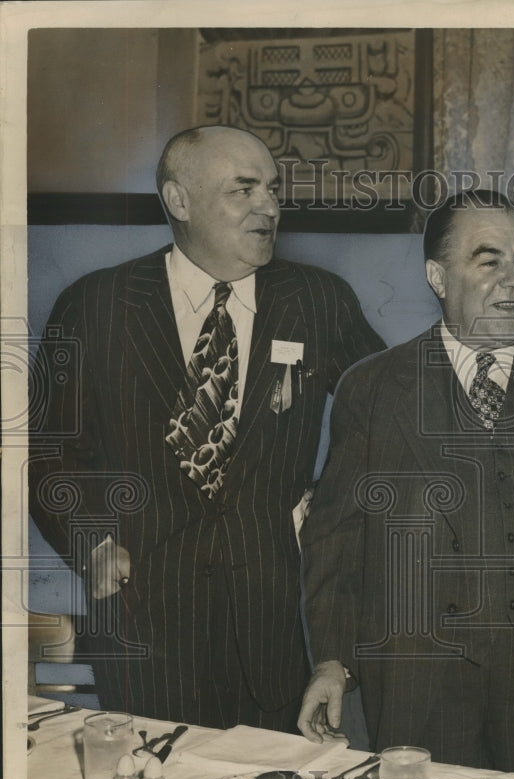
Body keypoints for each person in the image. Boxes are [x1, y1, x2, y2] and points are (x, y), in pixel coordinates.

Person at [29, 125, 386, 731]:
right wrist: (89, 539)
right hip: (145, 628)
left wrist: (329, 509)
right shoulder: (94, 305)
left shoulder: (319, 301)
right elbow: (48, 454)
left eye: (272, 189)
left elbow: (384, 421)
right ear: (180, 201)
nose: (269, 206)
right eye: (243, 190)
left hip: (279, 626)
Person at [296, 190, 514, 779]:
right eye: (489, 262)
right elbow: (334, 541)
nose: (513, 281)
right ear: (438, 276)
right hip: (419, 680)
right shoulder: (374, 389)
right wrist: (331, 661)